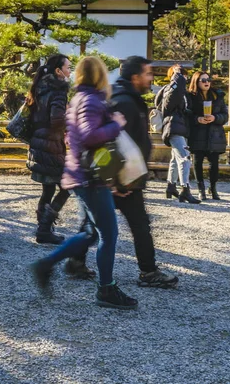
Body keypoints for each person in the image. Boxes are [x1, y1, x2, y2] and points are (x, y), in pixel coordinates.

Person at [31, 56, 138, 309]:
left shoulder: (80, 97)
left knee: (91, 232)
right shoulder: (91, 100)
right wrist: (115, 125)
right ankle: (106, 289)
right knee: (108, 235)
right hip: (91, 177)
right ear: (100, 74)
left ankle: (45, 265)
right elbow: (90, 135)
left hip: (84, 174)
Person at [65, 56, 179, 289]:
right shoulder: (124, 102)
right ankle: (144, 273)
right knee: (135, 225)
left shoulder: (124, 98)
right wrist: (117, 181)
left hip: (120, 177)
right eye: (148, 73)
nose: (151, 78)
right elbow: (111, 144)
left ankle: (75, 261)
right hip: (123, 178)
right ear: (135, 76)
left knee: (93, 225)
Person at [26, 55, 71, 244]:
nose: (70, 70)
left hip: (38, 143)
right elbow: (57, 121)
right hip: (51, 146)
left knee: (48, 189)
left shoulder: (39, 88)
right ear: (58, 71)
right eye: (68, 67)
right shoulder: (58, 91)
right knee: (68, 187)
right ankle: (44, 229)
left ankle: (43, 229)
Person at [155, 65, 200, 204]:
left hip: (180, 128)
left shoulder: (180, 91)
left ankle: (171, 186)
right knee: (185, 158)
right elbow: (176, 92)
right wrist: (177, 73)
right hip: (174, 128)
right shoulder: (171, 89)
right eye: (182, 75)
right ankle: (185, 190)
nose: (185, 78)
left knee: (176, 158)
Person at [188, 71, 227, 200]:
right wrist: (197, 119)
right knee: (197, 162)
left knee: (214, 164)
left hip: (214, 135)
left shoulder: (218, 96)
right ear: (196, 82)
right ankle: (201, 189)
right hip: (197, 134)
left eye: (208, 79)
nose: (207, 82)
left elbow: (225, 116)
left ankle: (213, 188)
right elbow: (186, 115)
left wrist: (215, 117)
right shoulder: (190, 97)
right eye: (203, 80)